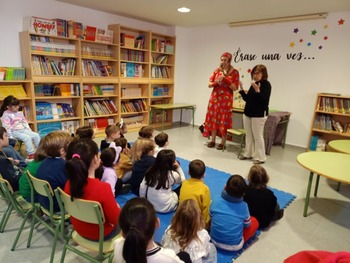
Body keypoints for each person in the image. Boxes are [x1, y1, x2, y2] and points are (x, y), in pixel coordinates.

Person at [65, 139, 121, 241]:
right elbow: (116, 220)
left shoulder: (68, 184)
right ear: (95, 159)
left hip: (78, 228)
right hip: (101, 234)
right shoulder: (103, 188)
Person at [113, 197, 189, 263]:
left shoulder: (117, 245)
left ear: (122, 234)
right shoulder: (168, 257)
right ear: (157, 223)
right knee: (184, 256)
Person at [210, 174, 259, 251]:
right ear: (243, 194)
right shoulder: (244, 206)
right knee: (254, 222)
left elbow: (211, 217)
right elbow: (247, 225)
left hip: (213, 240)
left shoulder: (215, 199)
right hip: (235, 245)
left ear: (225, 187)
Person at [203, 52, 240, 150]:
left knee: (224, 120)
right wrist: (217, 82)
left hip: (226, 101)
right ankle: (213, 140)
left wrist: (226, 80)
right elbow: (209, 84)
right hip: (215, 99)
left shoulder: (235, 72)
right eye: (222, 60)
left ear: (229, 61)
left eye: (225, 60)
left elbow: (235, 88)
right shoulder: (217, 71)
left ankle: (223, 142)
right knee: (214, 118)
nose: (223, 62)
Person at [238, 64, 272, 164]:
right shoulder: (254, 84)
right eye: (253, 73)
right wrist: (241, 89)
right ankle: (247, 153)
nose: (255, 75)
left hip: (259, 114)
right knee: (248, 135)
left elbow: (264, 100)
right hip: (248, 112)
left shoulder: (266, 84)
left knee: (258, 136)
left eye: (257, 73)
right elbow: (248, 99)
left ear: (263, 73)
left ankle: (261, 157)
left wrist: (257, 90)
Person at [36, 130, 72, 212]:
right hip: (58, 207)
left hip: (45, 203)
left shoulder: (45, 161)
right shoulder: (63, 166)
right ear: (62, 151)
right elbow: (71, 188)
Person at [139, 149, 185, 213]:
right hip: (167, 207)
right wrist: (178, 168)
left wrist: (144, 201)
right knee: (184, 186)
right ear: (172, 162)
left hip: (151, 204)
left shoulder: (150, 170)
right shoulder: (172, 175)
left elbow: (142, 186)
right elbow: (183, 182)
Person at [243, 164, 284, 229]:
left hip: (248, 219)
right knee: (276, 204)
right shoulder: (269, 193)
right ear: (266, 178)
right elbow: (272, 208)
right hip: (263, 223)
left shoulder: (244, 190)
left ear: (250, 178)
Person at [179, 159, 211, 229]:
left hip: (182, 217)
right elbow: (205, 209)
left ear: (188, 172)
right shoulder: (205, 189)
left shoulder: (184, 183)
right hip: (196, 221)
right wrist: (205, 223)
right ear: (203, 175)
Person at [0, 126, 22, 191]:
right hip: (16, 187)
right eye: (6, 136)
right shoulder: (2, 160)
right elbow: (13, 180)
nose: (8, 138)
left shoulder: (2, 156)